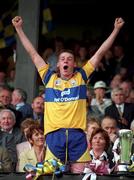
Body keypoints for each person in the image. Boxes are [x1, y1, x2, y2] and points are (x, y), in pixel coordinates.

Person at [12, 16, 125, 173]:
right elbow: (32, 53)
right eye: (62, 59)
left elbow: (101, 53)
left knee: (80, 173)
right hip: (54, 136)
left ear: (74, 64)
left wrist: (116, 30)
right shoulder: (49, 78)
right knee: (52, 173)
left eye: (69, 59)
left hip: (77, 135)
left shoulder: (81, 76)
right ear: (58, 64)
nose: (66, 61)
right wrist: (19, 29)